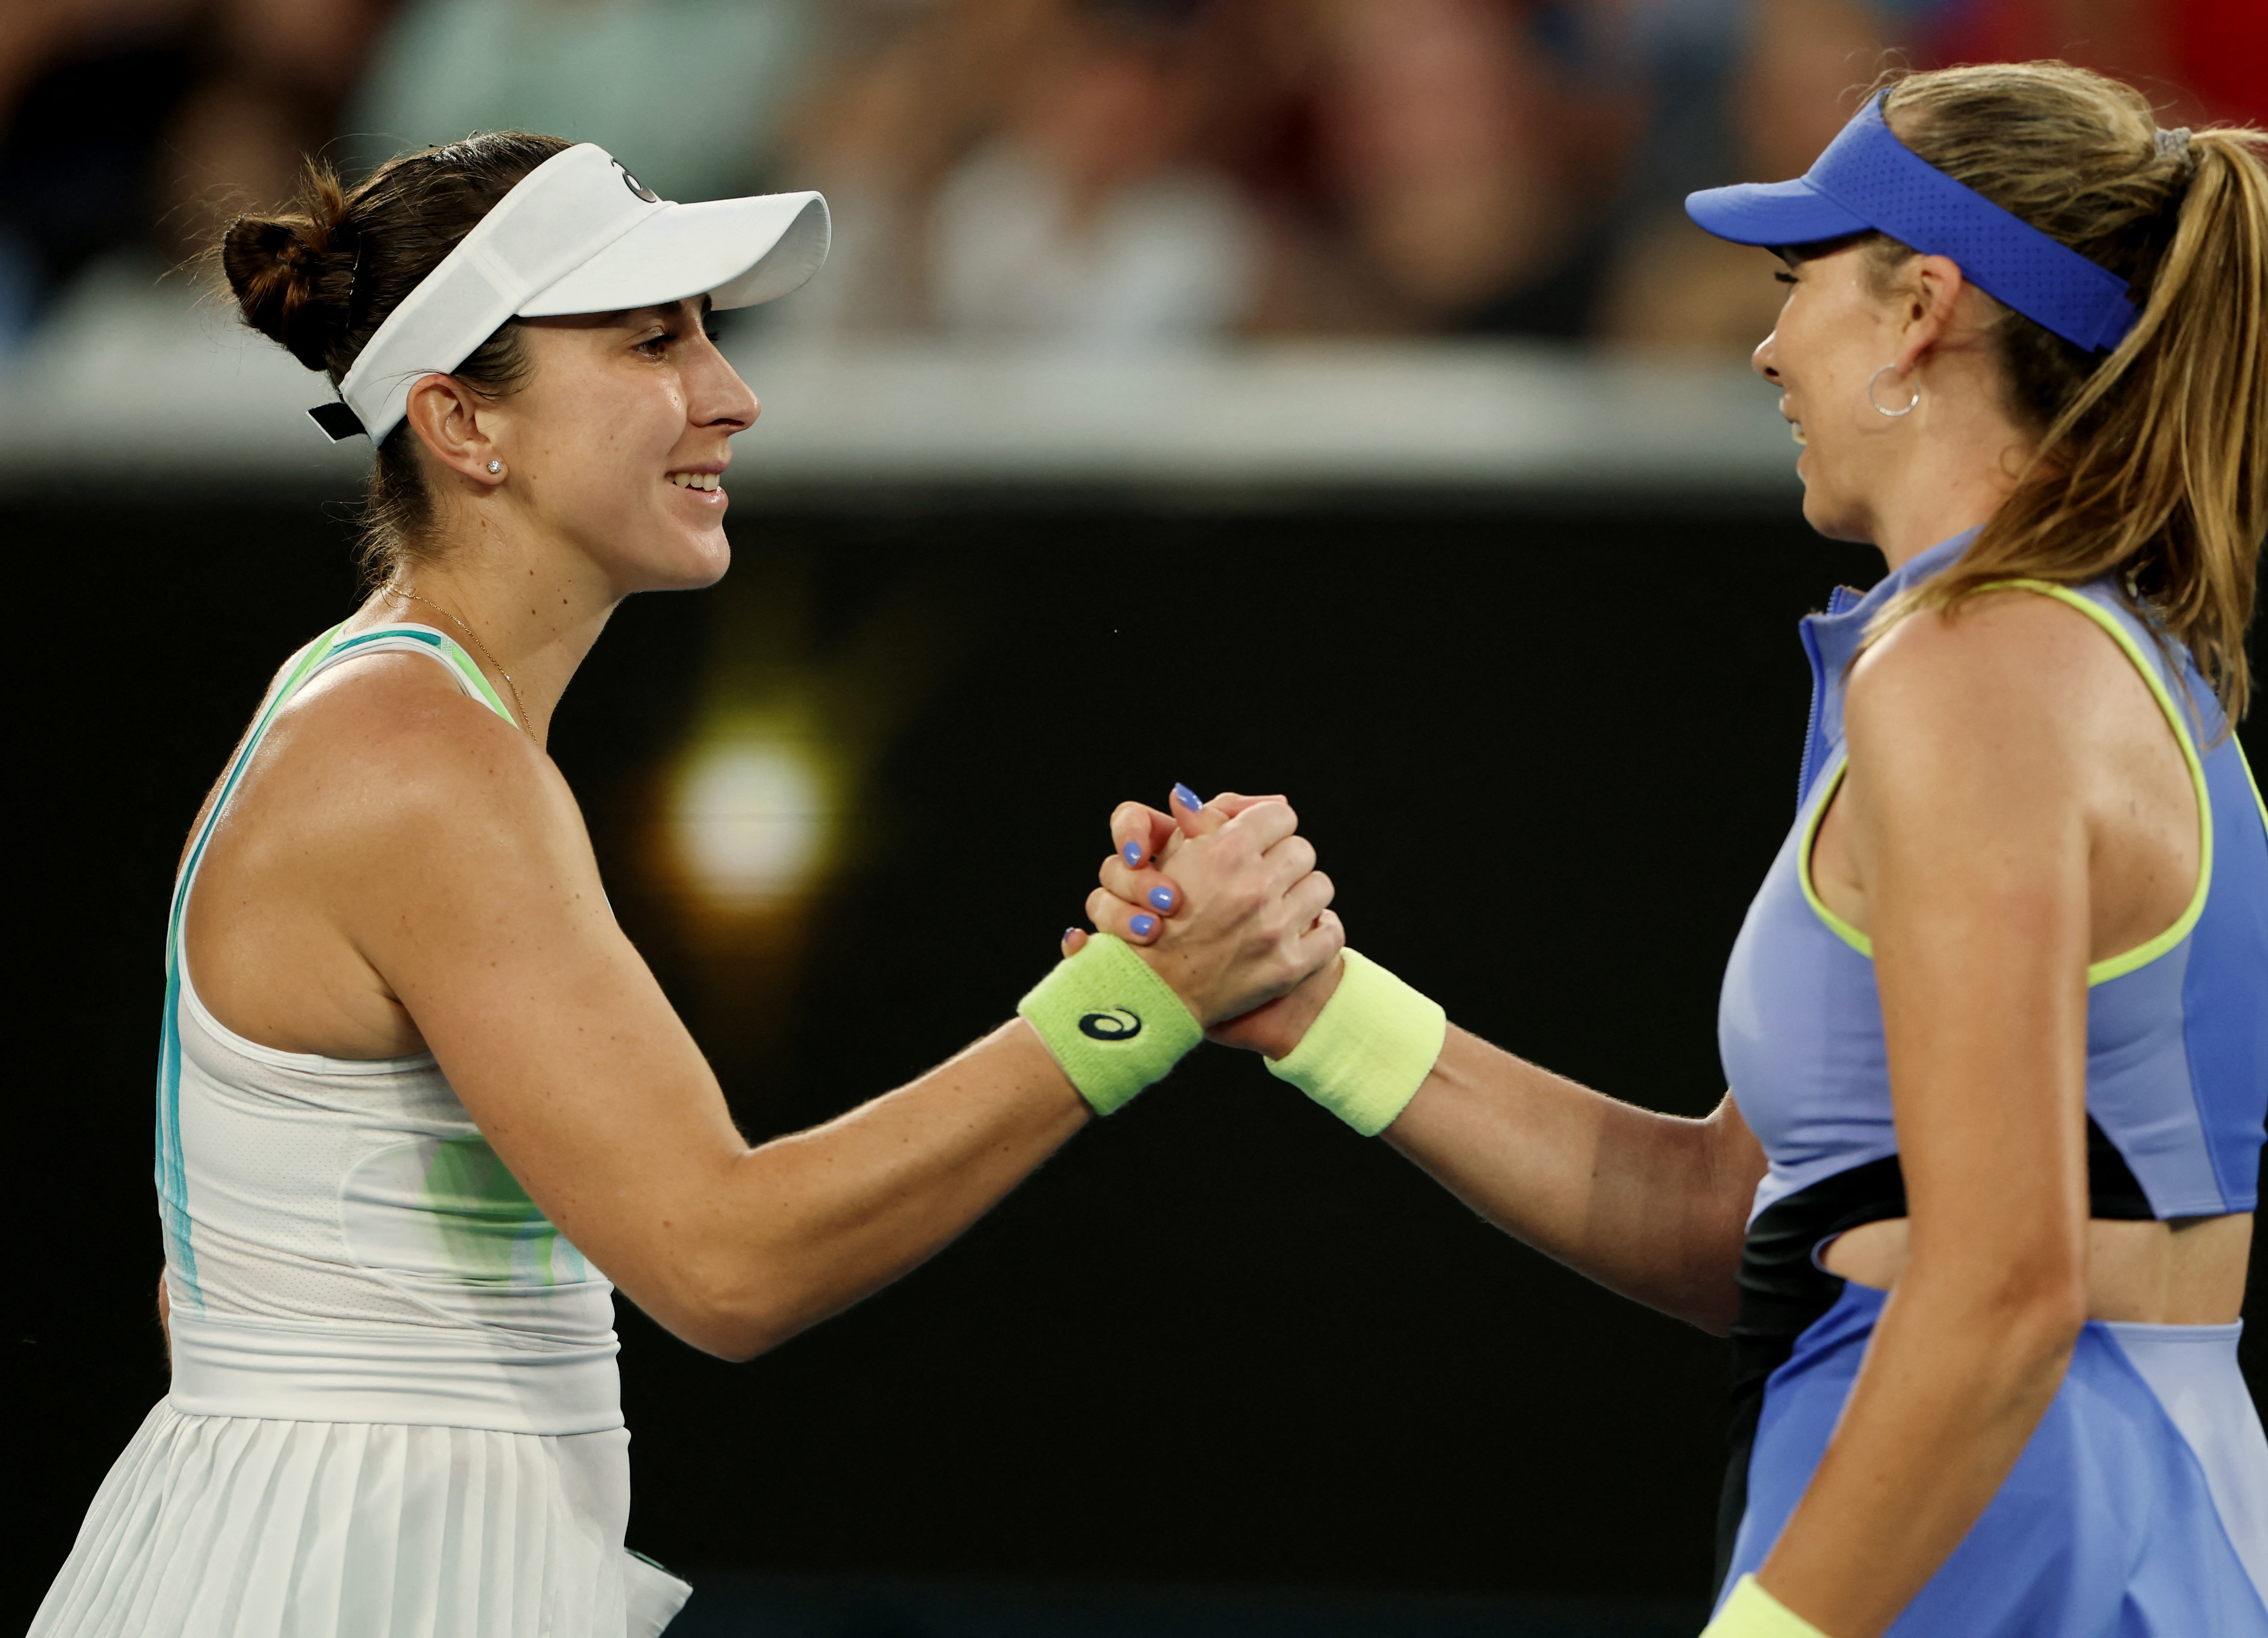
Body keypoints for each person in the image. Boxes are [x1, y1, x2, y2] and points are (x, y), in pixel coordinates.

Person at [33, 132, 1341, 1636]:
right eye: (653, 341)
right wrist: (1139, 1001)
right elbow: (727, 1262)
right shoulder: (422, 764)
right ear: (464, 423)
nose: (731, 392)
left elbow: (210, 1287)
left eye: (710, 334)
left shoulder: (386, 721)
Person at [1087, 61, 2268, 1637]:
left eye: (1799, 282)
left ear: (1924, 308)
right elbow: (1738, 1218)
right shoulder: (2054, 655)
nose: (1766, 341)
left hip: (2012, 1534)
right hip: (2054, 1510)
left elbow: (2004, 1296)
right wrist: (1316, 1009)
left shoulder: (1973, 675)